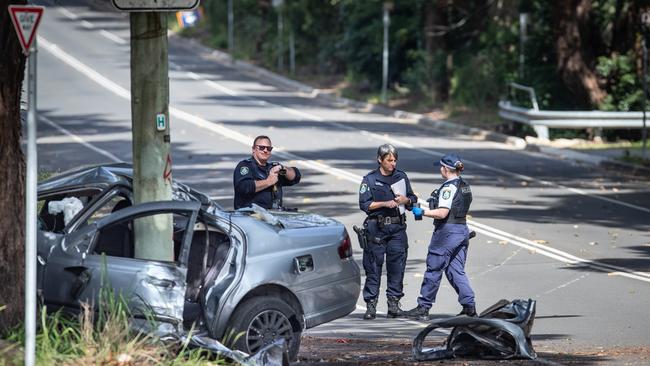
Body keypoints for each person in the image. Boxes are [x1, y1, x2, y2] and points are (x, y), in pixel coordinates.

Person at [406, 153, 476, 320]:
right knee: (455, 270)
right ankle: (469, 307)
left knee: (434, 268)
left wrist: (422, 211)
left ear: (445, 169)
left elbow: (442, 212)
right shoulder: (464, 185)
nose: (440, 169)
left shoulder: (448, 188)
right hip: (461, 230)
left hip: (447, 233)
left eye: (441, 167)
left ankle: (423, 307)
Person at [358, 144, 417, 320]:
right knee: (373, 267)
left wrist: (406, 200)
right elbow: (365, 204)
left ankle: (393, 304)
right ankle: (371, 305)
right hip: (377, 228)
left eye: (395, 160)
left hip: (397, 228)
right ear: (380, 160)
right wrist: (385, 203)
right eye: (389, 160)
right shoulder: (369, 179)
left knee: (397, 266)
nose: (393, 163)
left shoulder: (401, 176)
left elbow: (412, 199)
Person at [233, 135, 301, 210]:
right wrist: (269, 181)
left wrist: (283, 168)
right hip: (249, 216)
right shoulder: (246, 166)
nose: (265, 150)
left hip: (273, 216)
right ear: (253, 149)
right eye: (261, 147)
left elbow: (295, 177)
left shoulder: (273, 168)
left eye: (269, 148)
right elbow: (244, 188)